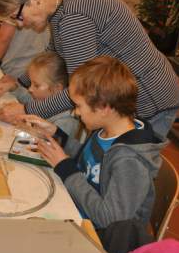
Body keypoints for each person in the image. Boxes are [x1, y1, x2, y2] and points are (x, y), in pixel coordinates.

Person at [0, 0, 179, 140]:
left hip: (149, 97)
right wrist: (20, 81)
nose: (20, 24)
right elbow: (54, 51)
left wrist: (26, 110)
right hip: (128, 95)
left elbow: (82, 88)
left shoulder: (73, 18)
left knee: (129, 159)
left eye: (18, 16)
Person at [22, 56, 166, 230]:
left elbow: (109, 219)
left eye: (78, 106)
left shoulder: (130, 161)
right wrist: (57, 134)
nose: (75, 113)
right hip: (75, 206)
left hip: (97, 234)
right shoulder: (105, 129)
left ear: (103, 108)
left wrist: (66, 168)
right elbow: (88, 159)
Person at [12, 52, 80, 138]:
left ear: (57, 88)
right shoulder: (42, 99)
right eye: (31, 83)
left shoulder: (66, 122)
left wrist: (28, 130)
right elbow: (29, 100)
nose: (30, 89)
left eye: (36, 85)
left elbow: (52, 144)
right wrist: (14, 88)